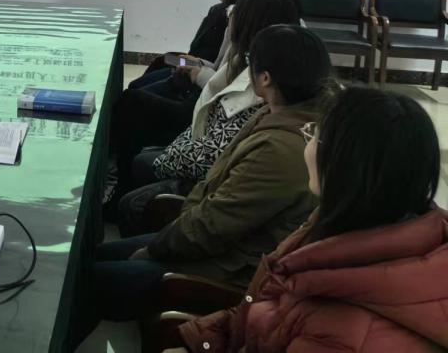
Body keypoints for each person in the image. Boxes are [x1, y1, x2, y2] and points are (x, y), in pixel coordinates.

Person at [171, 88, 447, 353]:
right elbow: (266, 311)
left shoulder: (339, 330)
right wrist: (201, 341)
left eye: (315, 134)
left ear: (344, 166)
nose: (307, 143)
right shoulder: (342, 221)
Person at [95, 24, 332, 321]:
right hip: (217, 243)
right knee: (92, 256)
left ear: (265, 78)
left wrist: (154, 250)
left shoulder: (280, 149)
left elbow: (213, 225)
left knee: (86, 281)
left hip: (228, 270)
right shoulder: (279, 114)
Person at [109, 0, 299, 213]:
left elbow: (218, 138)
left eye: (236, 12)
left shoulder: (262, 77)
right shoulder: (252, 52)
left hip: (201, 135)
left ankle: (122, 191)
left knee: (132, 106)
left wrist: (198, 75)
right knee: (138, 91)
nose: (230, 14)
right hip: (199, 117)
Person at [133, 0, 268, 86]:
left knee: (158, 69)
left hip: (200, 71)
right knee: (166, 59)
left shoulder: (235, 19)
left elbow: (217, 66)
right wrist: (194, 59)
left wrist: (196, 62)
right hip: (196, 63)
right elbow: (198, 47)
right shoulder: (217, 10)